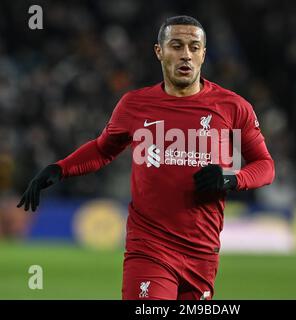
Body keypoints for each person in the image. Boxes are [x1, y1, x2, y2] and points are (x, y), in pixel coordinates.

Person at [17, 15, 275, 300]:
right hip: (149, 248)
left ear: (203, 53)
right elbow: (104, 149)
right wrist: (59, 168)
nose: (185, 54)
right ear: (159, 52)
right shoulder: (135, 105)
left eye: (193, 47)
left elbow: (265, 166)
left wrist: (231, 179)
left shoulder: (233, 107)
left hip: (203, 252)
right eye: (176, 46)